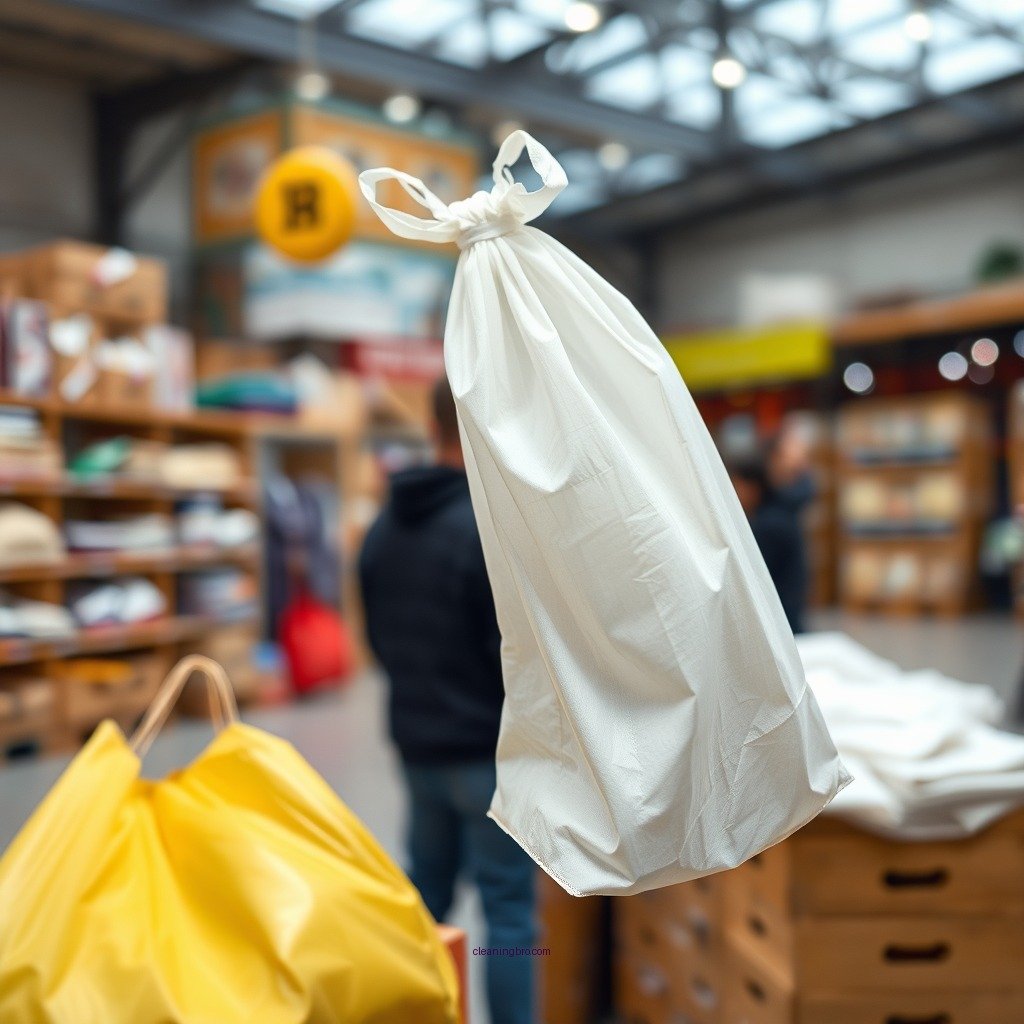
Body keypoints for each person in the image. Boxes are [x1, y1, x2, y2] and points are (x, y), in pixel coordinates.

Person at [358, 376, 536, 1024]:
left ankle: (396, 1008)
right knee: (508, 912)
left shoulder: (385, 525)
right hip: (487, 753)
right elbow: (511, 655)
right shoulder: (487, 527)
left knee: (424, 895)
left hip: (417, 744)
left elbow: (378, 642)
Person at [728, 447, 809, 634]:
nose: (732, 494)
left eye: (736, 486)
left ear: (753, 488)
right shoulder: (774, 516)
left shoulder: (770, 525)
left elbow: (752, 577)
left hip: (781, 621)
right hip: (785, 616)